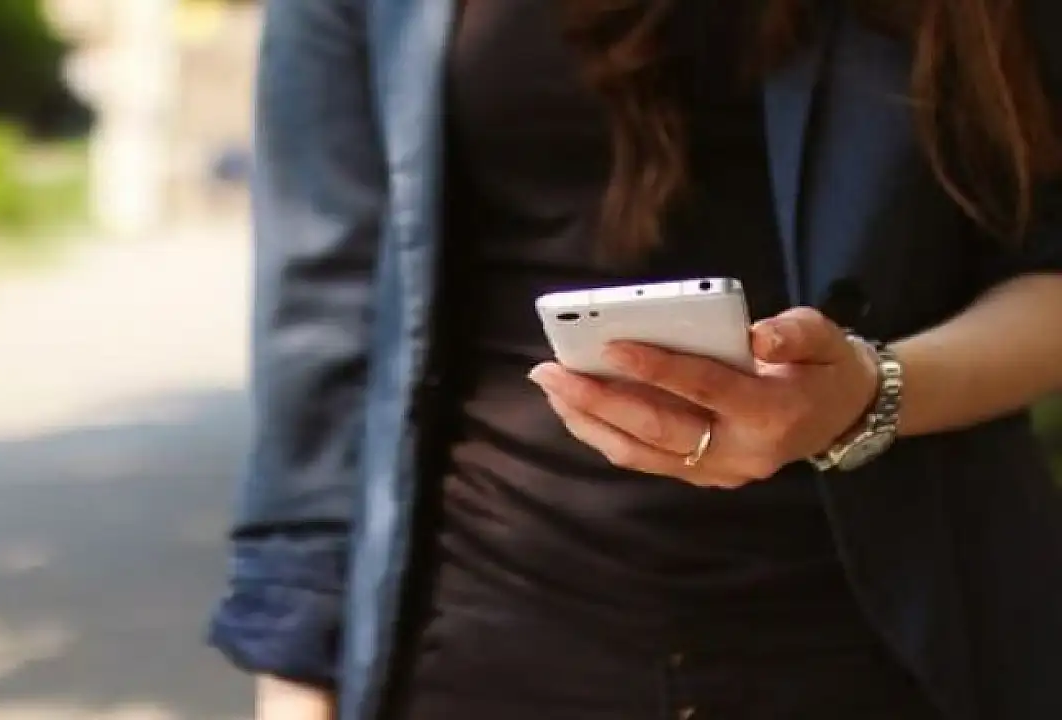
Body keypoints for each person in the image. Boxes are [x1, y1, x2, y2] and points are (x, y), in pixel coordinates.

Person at [209, 0, 1062, 718]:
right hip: (481, 635)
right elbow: (325, 321)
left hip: (904, 645)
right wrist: (295, 677)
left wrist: (871, 395)